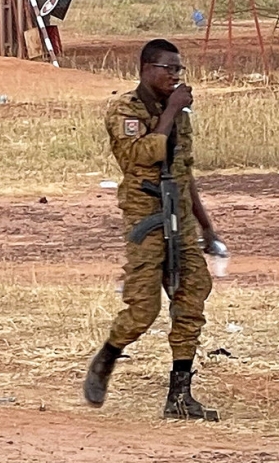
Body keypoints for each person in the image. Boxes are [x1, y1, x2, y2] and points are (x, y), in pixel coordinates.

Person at [83, 38, 222, 420]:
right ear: (146, 69)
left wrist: (206, 225)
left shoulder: (179, 115)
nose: (175, 76)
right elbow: (140, 155)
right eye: (168, 68)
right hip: (146, 215)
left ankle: (179, 394)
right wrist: (172, 111)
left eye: (179, 69)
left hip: (180, 216)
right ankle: (107, 357)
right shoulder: (124, 110)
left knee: (192, 295)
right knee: (143, 307)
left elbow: (183, 170)